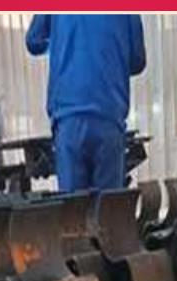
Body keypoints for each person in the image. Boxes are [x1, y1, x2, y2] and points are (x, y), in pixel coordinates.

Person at [25, 14, 146, 192]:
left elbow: (33, 42)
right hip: (109, 116)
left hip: (69, 118)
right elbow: (137, 61)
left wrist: (62, 45)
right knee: (109, 205)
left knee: (73, 205)